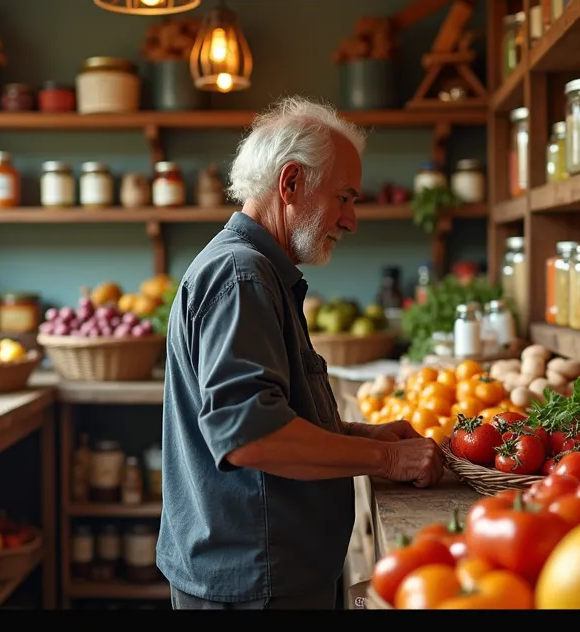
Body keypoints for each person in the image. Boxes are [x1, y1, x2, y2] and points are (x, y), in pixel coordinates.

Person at [156, 96, 446, 610]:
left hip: (264, 574)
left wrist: (358, 434)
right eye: (345, 198)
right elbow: (251, 438)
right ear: (290, 184)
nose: (351, 220)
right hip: (253, 582)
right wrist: (387, 457)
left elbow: (275, 415)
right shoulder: (241, 276)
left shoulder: (256, 271)